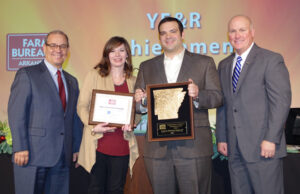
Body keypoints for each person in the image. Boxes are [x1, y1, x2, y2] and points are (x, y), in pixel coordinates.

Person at [134, 17, 223, 194]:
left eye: (173, 31)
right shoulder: (146, 66)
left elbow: (217, 97)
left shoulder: (204, 62)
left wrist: (198, 95)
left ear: (182, 34)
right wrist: (142, 101)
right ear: (159, 37)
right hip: (158, 150)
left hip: (194, 147)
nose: (168, 36)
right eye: (163, 33)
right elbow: (138, 106)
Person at [216, 15, 291, 194]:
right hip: (234, 150)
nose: (237, 35)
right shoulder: (224, 65)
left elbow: (280, 103)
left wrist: (271, 139)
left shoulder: (271, 60)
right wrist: (222, 137)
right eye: (233, 31)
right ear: (228, 35)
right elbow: (223, 105)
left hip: (263, 148)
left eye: (242, 30)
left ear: (252, 32)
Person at [8, 30, 82, 194]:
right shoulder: (27, 74)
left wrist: (76, 147)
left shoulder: (72, 81)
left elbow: (74, 117)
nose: (58, 50)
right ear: (44, 47)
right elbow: (17, 113)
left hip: (63, 156)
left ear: (68, 50)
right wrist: (20, 147)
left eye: (63, 46)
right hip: (33, 155)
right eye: (53, 45)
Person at [77, 36, 139, 194]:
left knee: (116, 189)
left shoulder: (134, 81)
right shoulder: (94, 75)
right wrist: (93, 125)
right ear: (107, 54)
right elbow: (82, 106)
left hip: (122, 144)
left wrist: (133, 122)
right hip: (98, 143)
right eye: (113, 51)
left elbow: (137, 111)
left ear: (127, 55)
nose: (117, 55)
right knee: (95, 189)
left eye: (121, 50)